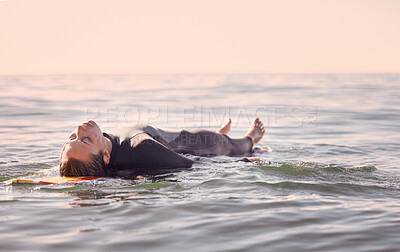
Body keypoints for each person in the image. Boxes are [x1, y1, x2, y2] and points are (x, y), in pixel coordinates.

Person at [59, 118, 265, 177]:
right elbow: (194, 166)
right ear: (105, 155)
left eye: (72, 137)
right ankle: (252, 140)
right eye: (85, 140)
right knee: (228, 144)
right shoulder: (141, 148)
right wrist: (242, 161)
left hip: (169, 147)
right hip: (195, 144)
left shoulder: (105, 152)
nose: (79, 129)